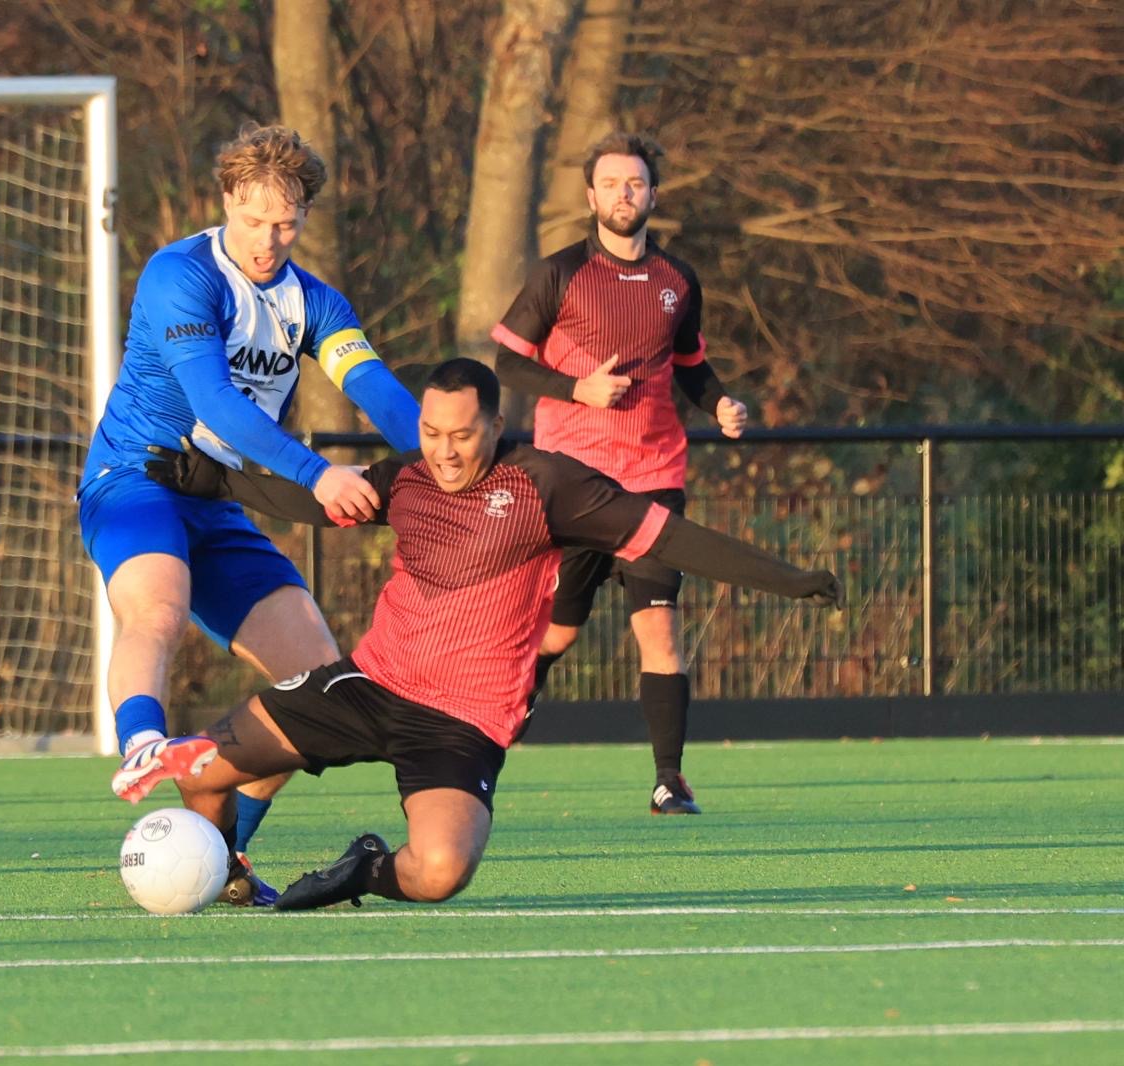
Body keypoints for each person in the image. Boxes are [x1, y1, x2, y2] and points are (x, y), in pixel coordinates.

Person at [140, 358, 840, 909]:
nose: (443, 453)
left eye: (462, 436)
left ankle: (363, 872)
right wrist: (220, 483)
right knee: (198, 770)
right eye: (432, 433)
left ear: (496, 424)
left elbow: (674, 538)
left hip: (460, 721)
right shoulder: (406, 476)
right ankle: (228, 874)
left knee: (440, 870)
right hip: (367, 685)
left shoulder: (550, 485)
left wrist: (791, 580)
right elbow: (320, 502)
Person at [78, 124, 420, 901]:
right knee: (156, 610)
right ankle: (143, 745)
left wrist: (443, 459)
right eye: (257, 219)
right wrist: (316, 475)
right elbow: (215, 404)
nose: (270, 239)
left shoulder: (315, 303)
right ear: (229, 199)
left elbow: (377, 391)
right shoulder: (180, 276)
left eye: (287, 223)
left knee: (318, 686)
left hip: (218, 501)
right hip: (136, 481)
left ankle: (224, 858)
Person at [492, 131, 749, 815]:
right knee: (558, 632)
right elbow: (508, 363)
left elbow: (691, 365)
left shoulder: (677, 280)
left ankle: (669, 779)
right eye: (611, 184)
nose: (623, 195)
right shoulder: (559, 274)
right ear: (591, 196)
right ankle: (494, 729)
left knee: (658, 626)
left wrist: (719, 400)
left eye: (635, 183)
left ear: (652, 195)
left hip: (654, 476)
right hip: (573, 481)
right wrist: (577, 390)